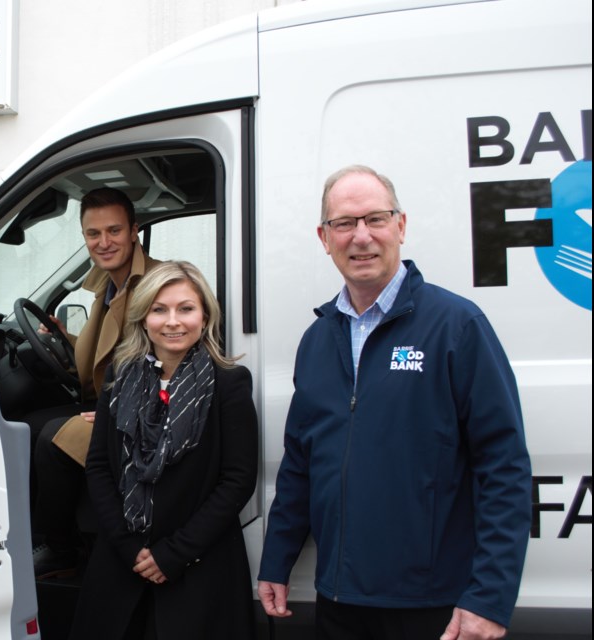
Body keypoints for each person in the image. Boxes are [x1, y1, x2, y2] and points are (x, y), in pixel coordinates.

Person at [257, 165, 532, 640]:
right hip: (339, 600)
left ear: (400, 227)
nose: (361, 236)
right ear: (325, 237)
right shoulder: (318, 340)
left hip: (431, 604)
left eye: (375, 219)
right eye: (344, 223)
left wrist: (489, 598)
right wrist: (277, 561)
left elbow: (503, 467)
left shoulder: (456, 327)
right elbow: (301, 464)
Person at [70, 260, 258, 640]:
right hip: (124, 563)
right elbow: (100, 467)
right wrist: (129, 547)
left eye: (185, 308)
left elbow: (237, 481)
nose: (173, 321)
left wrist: (173, 554)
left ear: (205, 317)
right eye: (159, 309)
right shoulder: (118, 382)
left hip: (198, 568)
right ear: (143, 318)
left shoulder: (229, 385)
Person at [31, 187, 159, 577]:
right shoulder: (109, 284)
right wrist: (60, 339)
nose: (104, 243)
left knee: (53, 438)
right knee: (30, 423)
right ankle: (35, 533)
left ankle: (63, 548)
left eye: (114, 230)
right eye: (93, 233)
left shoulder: (155, 282)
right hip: (108, 402)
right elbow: (104, 354)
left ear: (134, 230)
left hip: (145, 418)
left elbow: (169, 362)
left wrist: (114, 409)